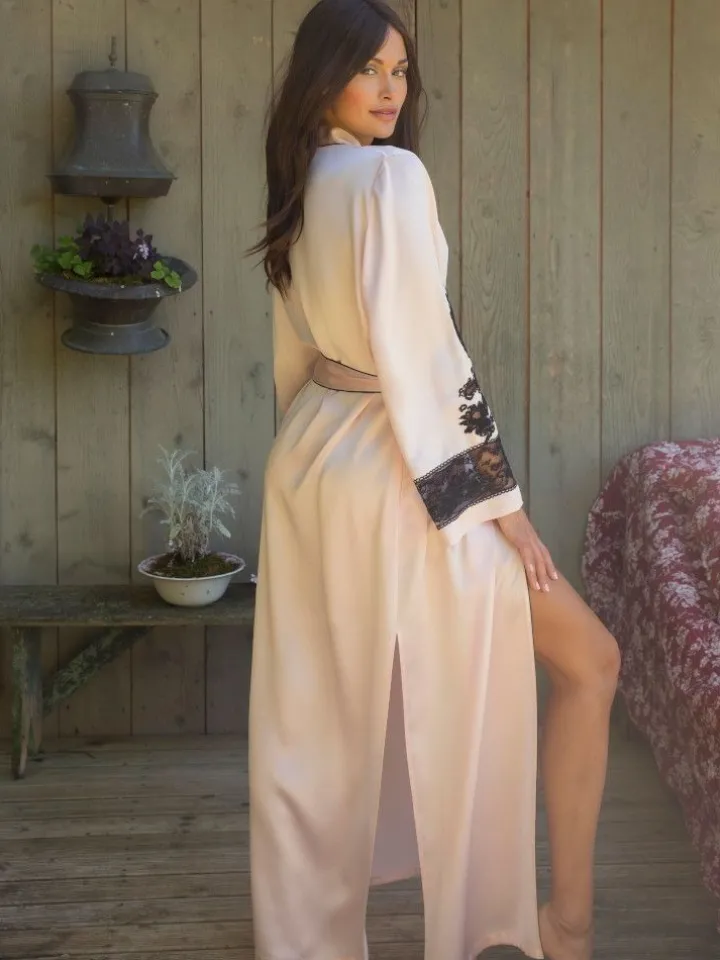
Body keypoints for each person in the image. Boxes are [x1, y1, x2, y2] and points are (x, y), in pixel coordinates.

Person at [247, 2, 620, 958]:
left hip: (315, 459)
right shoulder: (391, 177)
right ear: (323, 75)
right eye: (369, 68)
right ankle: (563, 927)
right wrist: (504, 508)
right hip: (404, 468)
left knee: (318, 708)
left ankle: (307, 936)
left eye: (400, 70)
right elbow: (427, 356)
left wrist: (307, 458)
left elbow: (296, 356)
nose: (390, 89)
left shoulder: (302, 183)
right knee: (591, 661)